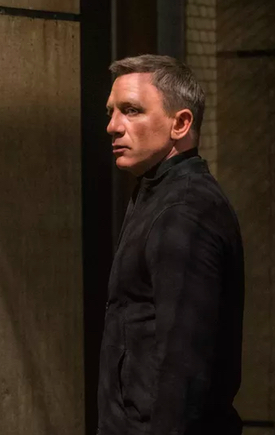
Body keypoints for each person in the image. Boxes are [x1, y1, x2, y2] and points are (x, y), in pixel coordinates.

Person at [98, 54, 245, 435]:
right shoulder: (156, 194)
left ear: (180, 123)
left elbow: (184, 367)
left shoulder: (185, 209)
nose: (113, 126)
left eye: (131, 110)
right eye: (112, 112)